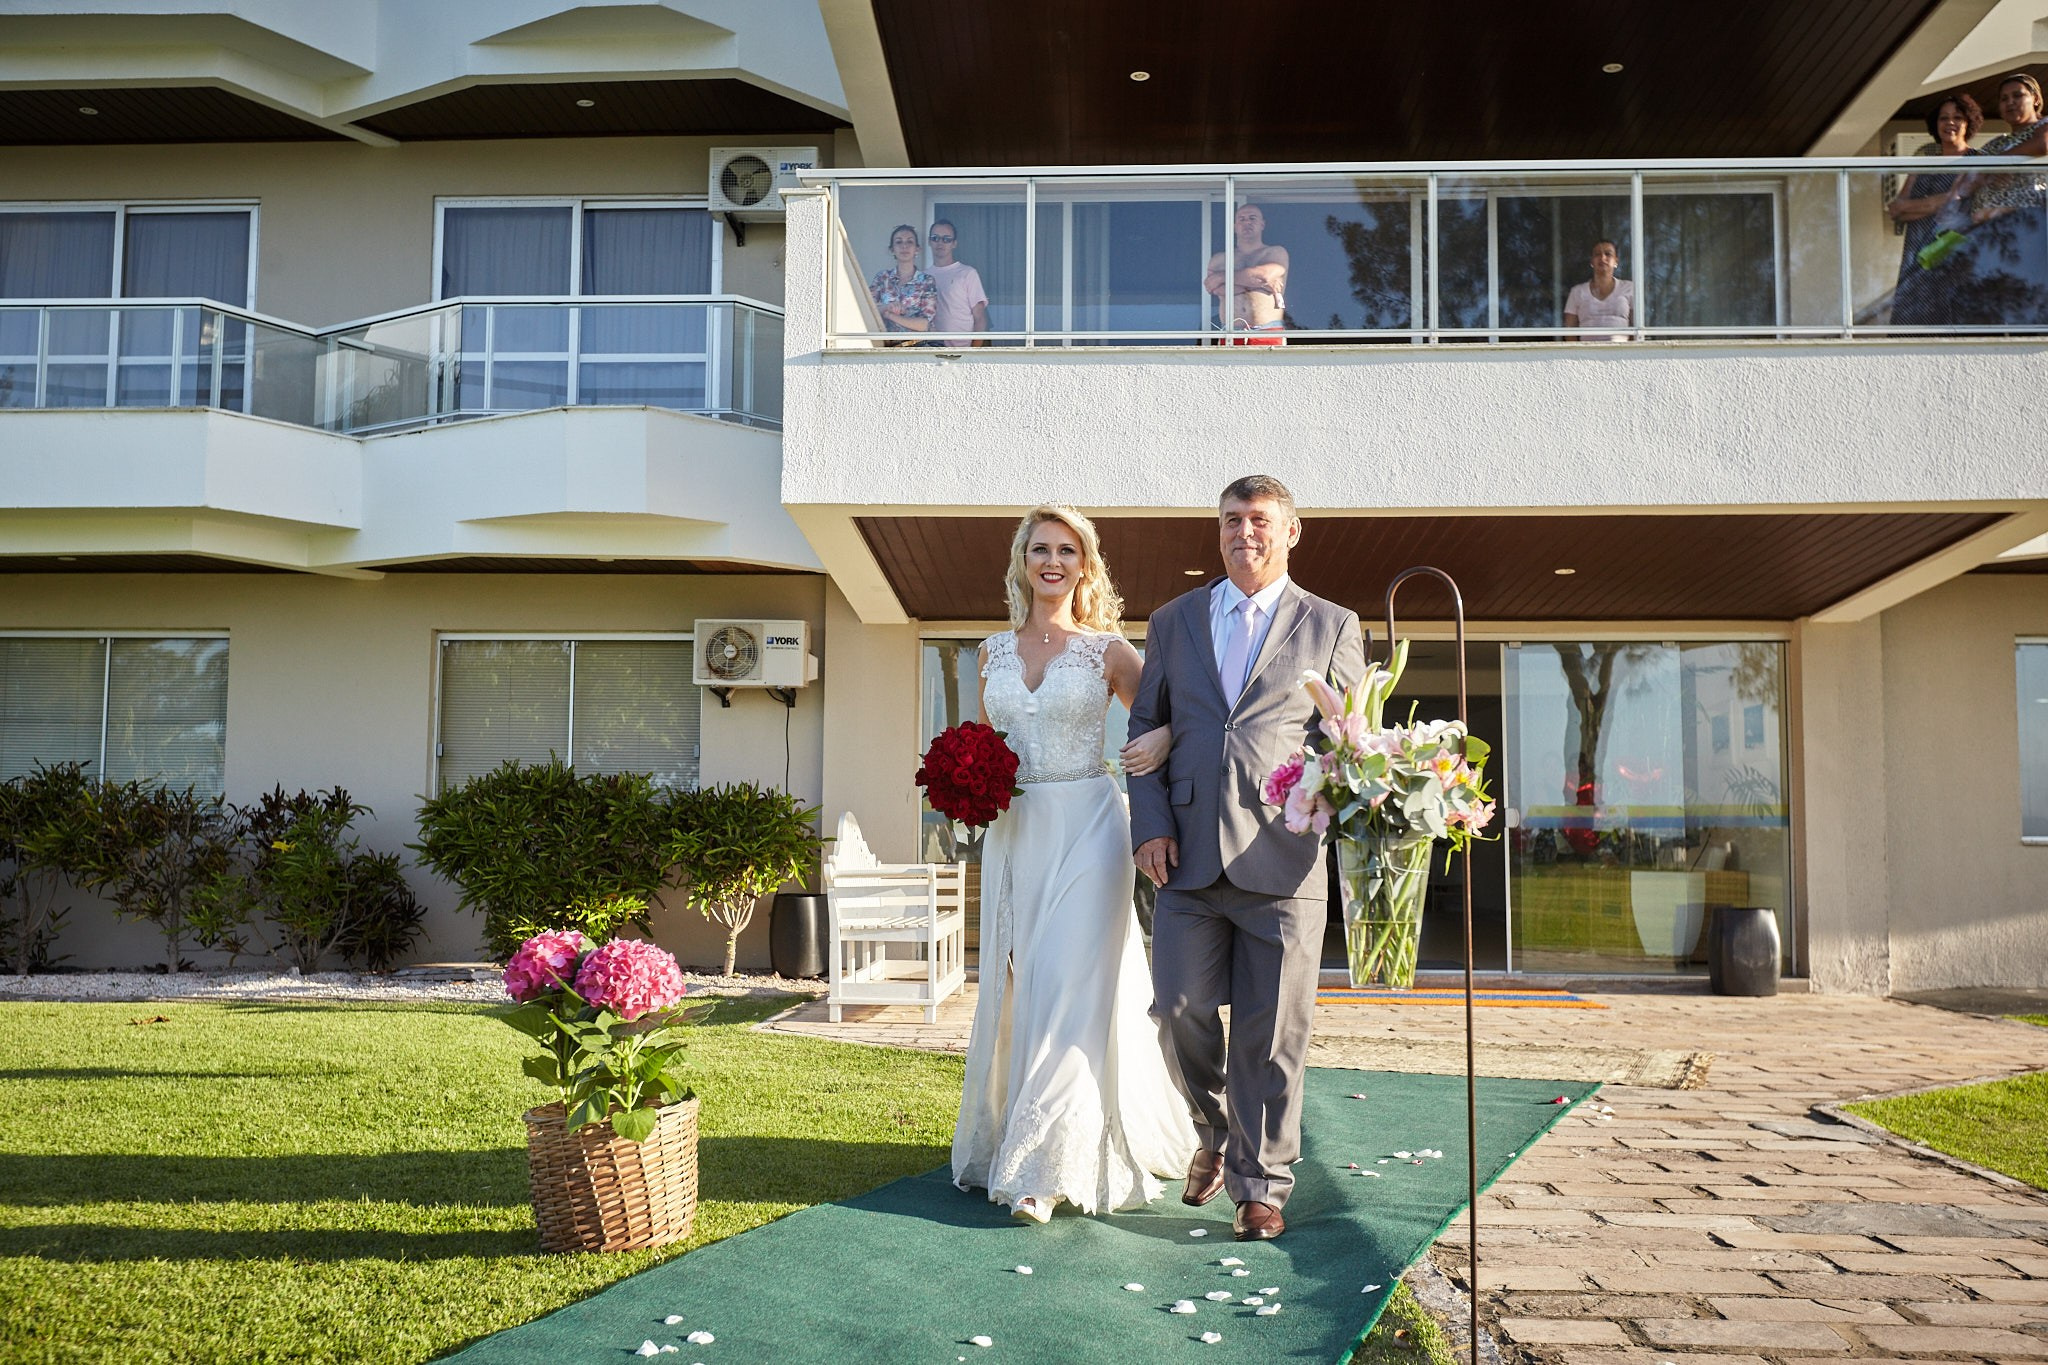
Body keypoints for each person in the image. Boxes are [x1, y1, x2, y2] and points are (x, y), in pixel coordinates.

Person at [1128, 475, 1367, 1242]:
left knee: (1273, 1032)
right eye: (1231, 520)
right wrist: (1151, 825)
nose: (1244, 533)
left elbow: (1350, 742)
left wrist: (1346, 797)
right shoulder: (1173, 621)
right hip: (1187, 856)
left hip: (1284, 857)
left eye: (1259, 520)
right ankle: (1216, 1128)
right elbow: (1146, 730)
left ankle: (1261, 1185)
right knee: (1176, 1007)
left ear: (1290, 532)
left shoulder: (1332, 626)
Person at [951, 506, 1196, 1223]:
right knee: (1023, 986)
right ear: (1022, 562)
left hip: (1090, 826)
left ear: (1085, 564)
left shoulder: (1108, 651)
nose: (1052, 561)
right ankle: (1031, 1134)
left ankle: (1043, 1169)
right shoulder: (990, 653)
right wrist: (965, 784)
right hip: (1017, 832)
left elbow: (1182, 713)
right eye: (1040, 549)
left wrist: (1162, 740)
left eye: (1066, 550)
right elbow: (982, 744)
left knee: (1065, 986)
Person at [1938, 73, 2048, 327]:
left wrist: (1998, 165)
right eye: (2004, 99)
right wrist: (1954, 199)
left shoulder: (2043, 127)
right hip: (1994, 238)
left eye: (2018, 95)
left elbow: (2042, 144)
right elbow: (1968, 178)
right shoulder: (1994, 145)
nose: (2010, 102)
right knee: (2000, 308)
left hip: (2033, 229)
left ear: (2035, 99)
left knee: (2031, 308)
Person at [1886, 94, 1983, 327]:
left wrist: (1918, 207)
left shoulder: (1978, 161)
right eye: (1944, 118)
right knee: (1913, 323)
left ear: (1968, 122)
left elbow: (1961, 206)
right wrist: (1941, 201)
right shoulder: (1925, 161)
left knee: (1953, 318)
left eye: (1957, 117)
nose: (1950, 123)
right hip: (1918, 251)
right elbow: (1896, 210)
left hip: (1953, 248)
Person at [1204, 204, 1289, 345]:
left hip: (1268, 331)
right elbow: (1213, 287)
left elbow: (1263, 276)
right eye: (1241, 219)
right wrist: (1256, 284)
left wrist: (1222, 277)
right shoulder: (1220, 259)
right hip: (1231, 332)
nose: (1247, 223)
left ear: (1262, 224)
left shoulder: (1275, 253)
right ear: (1234, 226)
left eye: (1252, 218)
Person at [926, 218, 989, 347]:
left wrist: (973, 353)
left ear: (954, 243)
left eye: (946, 239)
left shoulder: (967, 273)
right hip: (930, 350)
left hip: (962, 351)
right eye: (935, 238)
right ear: (929, 242)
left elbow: (980, 318)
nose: (940, 243)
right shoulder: (922, 277)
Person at [869, 224, 936, 338]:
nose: (904, 246)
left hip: (916, 348)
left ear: (917, 249)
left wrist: (891, 316)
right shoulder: (882, 277)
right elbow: (868, 311)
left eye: (909, 242)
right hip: (884, 347)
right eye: (899, 242)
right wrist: (888, 307)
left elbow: (924, 324)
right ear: (892, 249)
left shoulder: (926, 281)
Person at [1562, 240, 1634, 340]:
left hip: (1622, 353)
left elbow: (1637, 327)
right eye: (1597, 254)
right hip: (1587, 353)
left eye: (1608, 254)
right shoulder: (1577, 292)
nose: (1602, 258)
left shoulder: (1629, 288)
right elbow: (1569, 332)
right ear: (1592, 261)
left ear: (1616, 261)